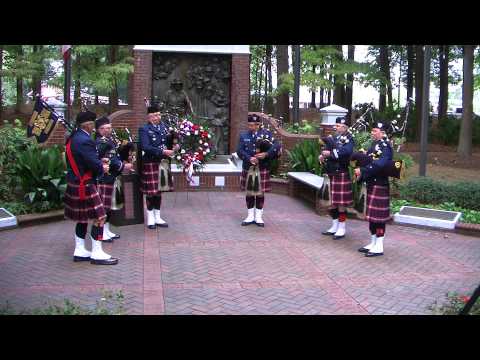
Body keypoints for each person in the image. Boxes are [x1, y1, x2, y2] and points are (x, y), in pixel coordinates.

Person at [64, 111, 118, 265]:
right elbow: (93, 164)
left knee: (81, 219)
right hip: (86, 184)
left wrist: (99, 161)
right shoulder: (85, 140)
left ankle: (80, 250)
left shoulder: (73, 138)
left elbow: (83, 160)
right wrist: (103, 167)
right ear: (87, 125)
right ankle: (97, 252)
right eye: (93, 123)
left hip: (75, 181)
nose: (94, 126)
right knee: (100, 217)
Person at [354, 121, 393, 257]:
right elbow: (370, 160)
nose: (372, 132)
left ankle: (379, 246)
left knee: (379, 218)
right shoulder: (374, 145)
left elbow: (379, 165)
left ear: (382, 133)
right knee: (372, 217)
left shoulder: (385, 146)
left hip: (380, 184)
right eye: (372, 130)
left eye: (375, 130)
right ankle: (373, 242)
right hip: (372, 183)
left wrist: (362, 170)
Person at [237, 114, 281, 227]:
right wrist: (249, 158)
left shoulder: (266, 134)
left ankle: (258, 217)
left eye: (254, 125)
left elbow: (277, 145)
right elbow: (239, 151)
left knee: (260, 193)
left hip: (262, 167)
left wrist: (266, 154)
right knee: (250, 192)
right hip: (249, 167)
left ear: (259, 124)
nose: (252, 127)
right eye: (250, 125)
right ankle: (250, 216)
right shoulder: (243, 135)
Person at [95, 116, 133, 241]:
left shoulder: (109, 140)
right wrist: (124, 166)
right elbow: (110, 159)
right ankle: (101, 233)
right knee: (104, 206)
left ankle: (106, 230)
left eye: (109, 128)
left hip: (112, 176)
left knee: (109, 206)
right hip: (105, 177)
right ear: (97, 130)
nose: (107, 130)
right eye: (103, 128)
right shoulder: (100, 142)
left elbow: (115, 155)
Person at [138, 104, 176, 229]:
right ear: (149, 117)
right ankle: (150, 217)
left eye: (159, 115)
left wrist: (175, 147)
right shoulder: (144, 129)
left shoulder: (164, 127)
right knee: (151, 192)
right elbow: (145, 146)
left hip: (163, 163)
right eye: (154, 115)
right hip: (151, 162)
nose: (157, 117)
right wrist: (163, 152)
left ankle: (158, 216)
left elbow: (169, 143)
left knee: (159, 191)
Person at [319, 117, 355, 240]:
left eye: (339, 125)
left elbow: (346, 152)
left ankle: (342, 227)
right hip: (331, 172)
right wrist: (322, 155)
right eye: (336, 125)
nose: (336, 127)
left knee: (341, 203)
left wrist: (331, 154)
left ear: (345, 127)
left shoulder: (350, 139)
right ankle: (334, 225)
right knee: (332, 202)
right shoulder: (334, 137)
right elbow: (328, 149)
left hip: (341, 172)